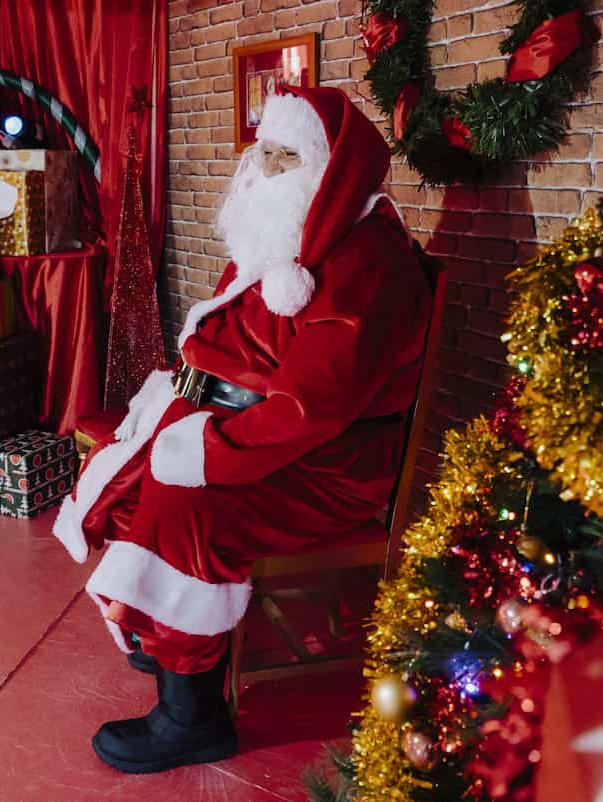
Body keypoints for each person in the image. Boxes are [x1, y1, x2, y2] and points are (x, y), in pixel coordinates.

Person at [55, 85, 433, 773]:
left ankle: (191, 716)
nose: (263, 167)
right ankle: (167, 640)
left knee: (187, 501)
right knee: (129, 467)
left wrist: (209, 451)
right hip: (251, 425)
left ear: (330, 170)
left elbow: (311, 409)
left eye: (286, 156)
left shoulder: (365, 260)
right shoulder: (291, 234)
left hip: (326, 462)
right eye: (263, 150)